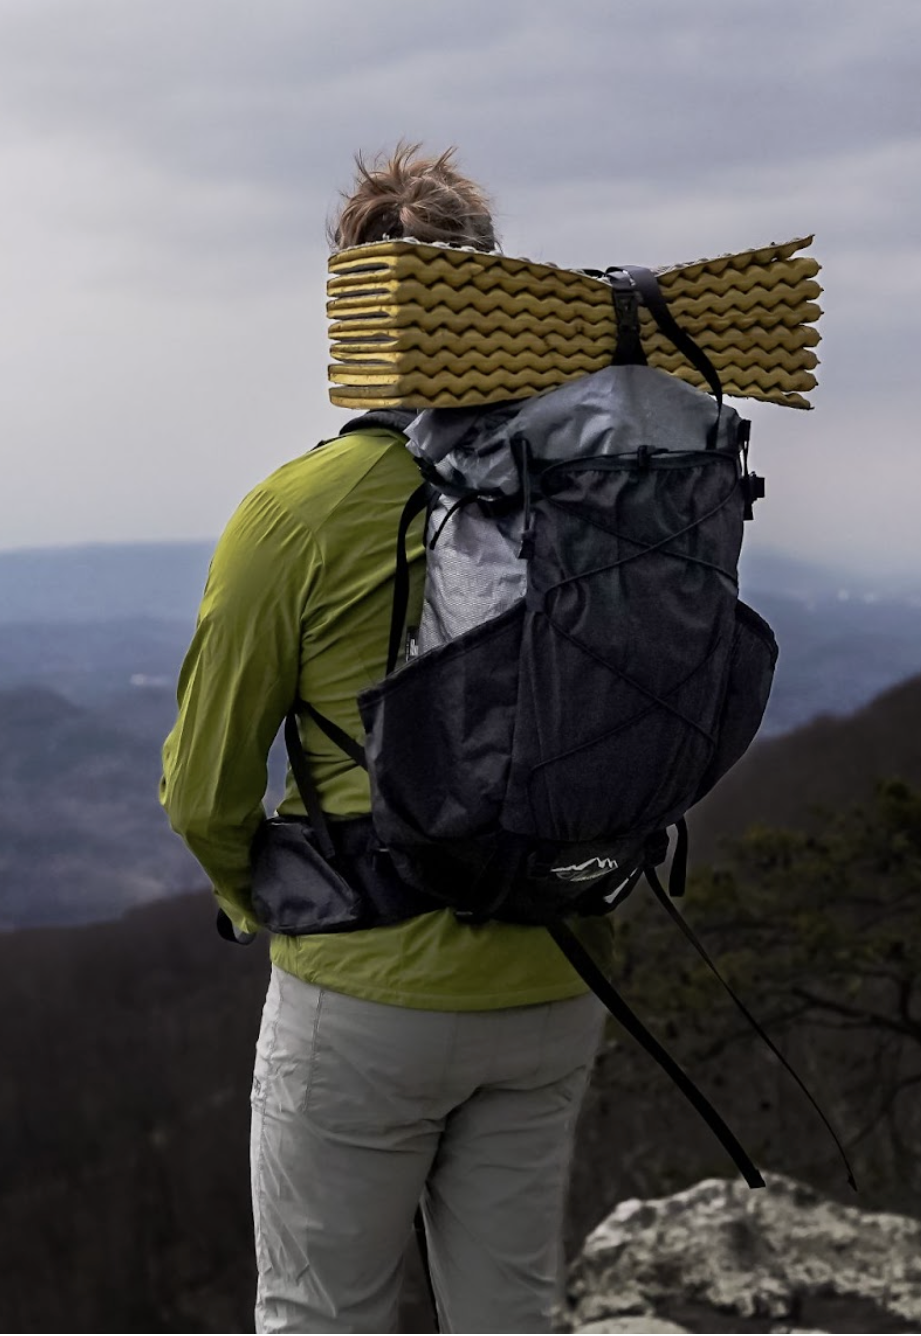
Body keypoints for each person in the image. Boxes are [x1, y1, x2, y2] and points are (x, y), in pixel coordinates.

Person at [159, 142, 608, 1334]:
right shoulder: (580, 490)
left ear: (354, 309)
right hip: (552, 974)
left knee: (322, 1310)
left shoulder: (292, 516)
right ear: (491, 295)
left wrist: (262, 895)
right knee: (509, 1312)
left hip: (362, 989)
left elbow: (204, 788)